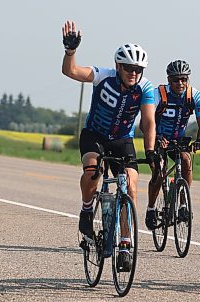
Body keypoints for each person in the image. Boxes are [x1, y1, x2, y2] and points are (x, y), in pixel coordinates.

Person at [61, 20, 156, 272]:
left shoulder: (146, 89)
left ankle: (125, 244)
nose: (133, 72)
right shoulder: (103, 76)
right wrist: (70, 52)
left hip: (122, 140)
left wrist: (150, 151)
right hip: (95, 135)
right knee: (92, 173)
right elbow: (71, 72)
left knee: (131, 186)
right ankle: (86, 210)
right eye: (128, 68)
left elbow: (148, 122)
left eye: (138, 68)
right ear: (118, 66)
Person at [143, 60, 200, 230]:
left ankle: (182, 205)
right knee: (159, 172)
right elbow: (145, 123)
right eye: (175, 79)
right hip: (158, 139)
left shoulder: (195, 95)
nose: (180, 83)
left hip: (178, 140)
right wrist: (156, 138)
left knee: (186, 161)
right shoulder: (159, 94)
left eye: (183, 79)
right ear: (169, 79)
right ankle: (151, 209)